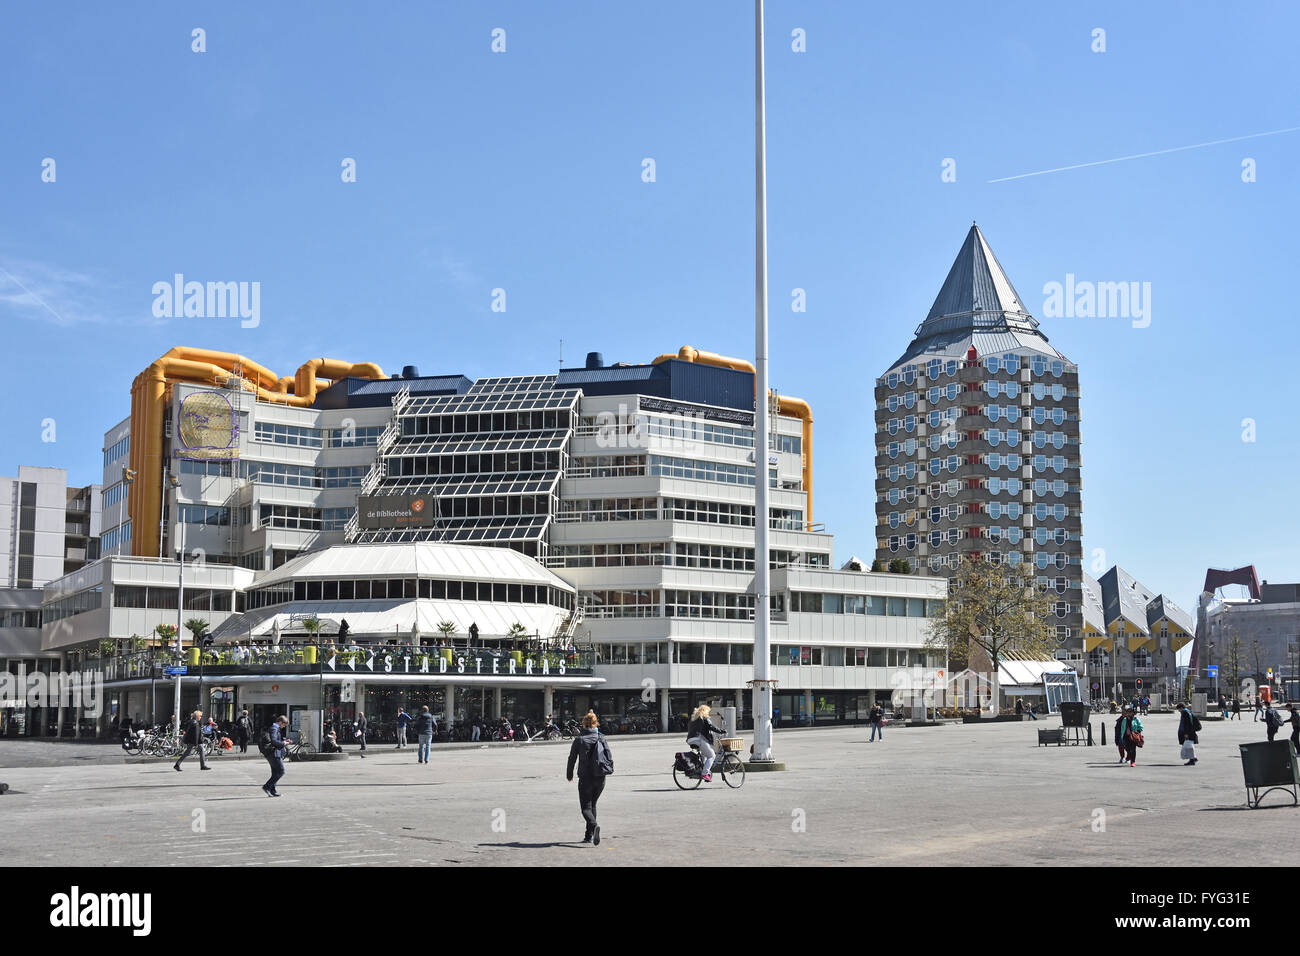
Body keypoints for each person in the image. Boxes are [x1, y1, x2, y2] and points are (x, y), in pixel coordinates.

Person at [565, 711, 612, 845]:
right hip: (600, 777)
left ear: (584, 725)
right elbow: (608, 757)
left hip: (586, 778)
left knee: (586, 808)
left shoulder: (579, 740)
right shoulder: (602, 738)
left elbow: (572, 759)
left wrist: (569, 775)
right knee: (593, 805)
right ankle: (588, 836)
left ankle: (594, 825)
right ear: (595, 723)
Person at [685, 704, 722, 782]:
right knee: (712, 755)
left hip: (690, 739)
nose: (708, 713)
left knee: (704, 754)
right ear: (705, 711)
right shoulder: (704, 718)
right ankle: (704, 774)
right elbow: (711, 727)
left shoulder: (694, 718)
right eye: (708, 712)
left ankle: (700, 770)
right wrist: (721, 731)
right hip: (697, 739)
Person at [261, 714, 288, 796]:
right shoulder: (274, 728)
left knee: (275, 772)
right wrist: (284, 743)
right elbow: (274, 741)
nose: (284, 727)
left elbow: (275, 739)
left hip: (273, 753)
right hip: (274, 753)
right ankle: (267, 786)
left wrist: (284, 740)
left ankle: (273, 790)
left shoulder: (274, 728)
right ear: (280, 722)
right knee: (281, 771)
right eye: (284, 725)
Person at [1176, 701, 1200, 766]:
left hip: (1188, 732)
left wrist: (1186, 733)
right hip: (1190, 731)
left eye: (1178, 709)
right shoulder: (1188, 711)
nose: (1178, 711)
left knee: (1189, 747)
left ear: (1181, 708)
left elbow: (1187, 724)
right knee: (1190, 746)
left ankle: (1192, 760)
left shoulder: (1185, 713)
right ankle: (1193, 758)